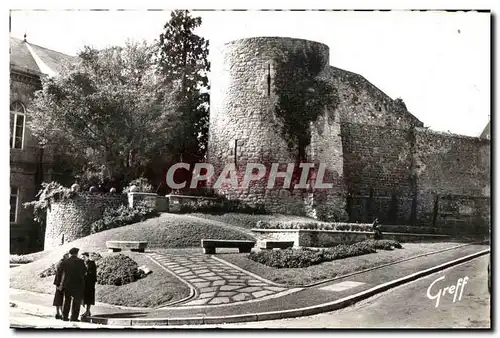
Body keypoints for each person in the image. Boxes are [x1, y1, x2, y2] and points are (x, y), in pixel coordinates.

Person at [60, 247, 87, 322]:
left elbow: (63, 273)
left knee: (67, 301)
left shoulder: (66, 262)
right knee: (76, 301)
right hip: (77, 284)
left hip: (67, 283)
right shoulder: (80, 262)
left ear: (70, 253)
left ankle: (65, 316)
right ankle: (74, 317)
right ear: (76, 253)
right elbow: (84, 271)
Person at [53, 252, 69, 320]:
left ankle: (58, 313)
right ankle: (61, 313)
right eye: (67, 256)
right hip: (61, 284)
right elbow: (61, 275)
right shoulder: (63, 263)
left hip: (59, 283)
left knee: (58, 298)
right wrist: (60, 284)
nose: (68, 257)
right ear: (65, 256)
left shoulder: (61, 263)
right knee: (61, 298)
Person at [81, 252, 97, 317]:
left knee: (89, 298)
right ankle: (87, 311)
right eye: (82, 257)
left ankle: (87, 311)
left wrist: (86, 274)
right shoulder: (82, 263)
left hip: (90, 283)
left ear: (87, 257)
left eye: (84, 257)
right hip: (84, 283)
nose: (83, 258)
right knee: (84, 297)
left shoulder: (92, 263)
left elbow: (92, 273)